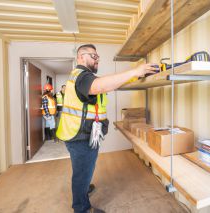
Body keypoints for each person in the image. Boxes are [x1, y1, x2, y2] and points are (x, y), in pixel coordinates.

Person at [56, 44, 158, 213]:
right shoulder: (82, 76)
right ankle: (82, 208)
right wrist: (134, 72)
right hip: (81, 136)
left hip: (82, 134)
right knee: (82, 172)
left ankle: (82, 189)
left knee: (83, 170)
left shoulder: (85, 76)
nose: (97, 59)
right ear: (80, 57)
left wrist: (135, 77)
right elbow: (99, 86)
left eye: (98, 56)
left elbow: (107, 84)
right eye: (93, 56)